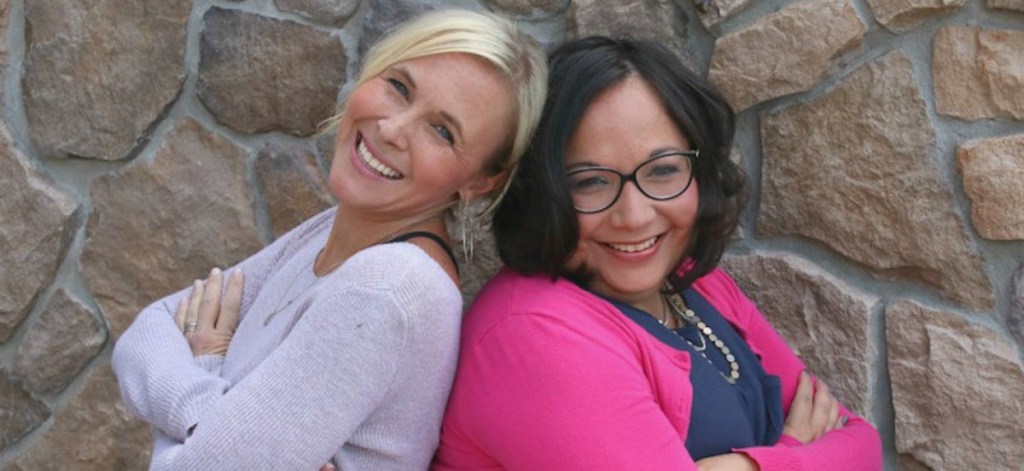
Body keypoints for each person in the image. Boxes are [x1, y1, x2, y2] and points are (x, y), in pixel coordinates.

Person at [112, 9, 547, 470]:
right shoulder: (338, 230)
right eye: (399, 87)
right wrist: (210, 418)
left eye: (442, 131)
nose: (392, 129)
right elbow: (146, 333)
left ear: (480, 182)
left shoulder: (390, 286)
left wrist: (202, 364)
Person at [433, 37, 882, 470]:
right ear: (543, 192)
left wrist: (747, 467)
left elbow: (861, 442)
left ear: (699, 170)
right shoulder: (531, 334)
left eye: (663, 170)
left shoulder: (694, 281)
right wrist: (794, 455)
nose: (634, 216)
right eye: (590, 181)